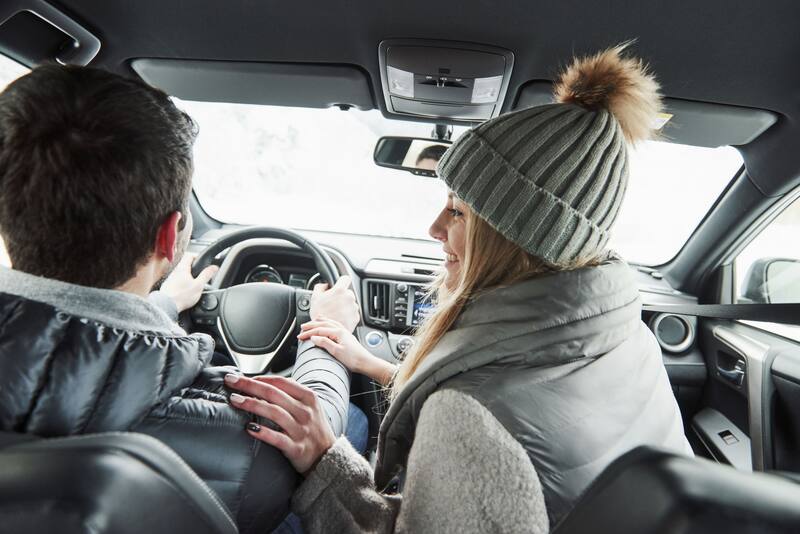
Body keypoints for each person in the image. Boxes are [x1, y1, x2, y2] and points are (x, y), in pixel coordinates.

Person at [226, 44, 692, 532]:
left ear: (515, 236)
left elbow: (487, 420)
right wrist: (371, 364)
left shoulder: (469, 422)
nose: (433, 228)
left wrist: (325, 460)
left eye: (458, 211)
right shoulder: (625, 337)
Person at [0, 65, 359, 534]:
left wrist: (164, 306)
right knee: (350, 423)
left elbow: (60, 356)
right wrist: (324, 335)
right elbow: (315, 421)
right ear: (171, 237)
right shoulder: (242, 446)